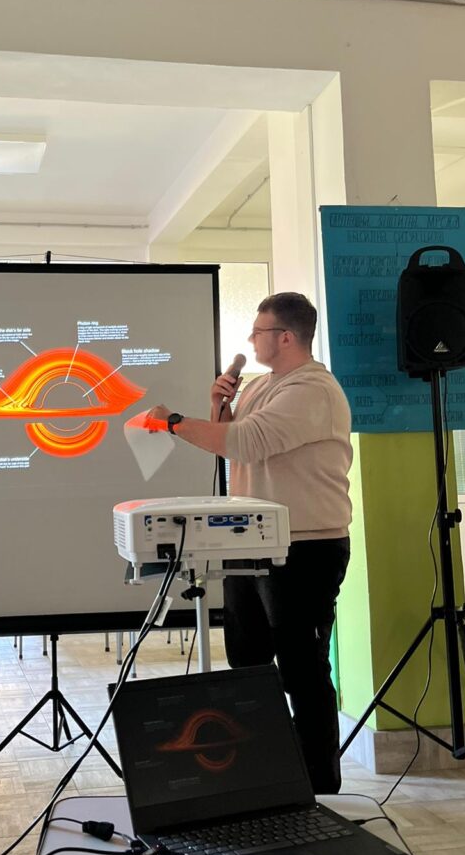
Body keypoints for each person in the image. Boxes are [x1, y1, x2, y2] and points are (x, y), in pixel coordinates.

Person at [147, 292, 352, 793]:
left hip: (305, 548)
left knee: (301, 669)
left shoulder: (312, 390)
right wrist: (217, 405)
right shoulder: (262, 385)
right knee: (248, 661)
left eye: (259, 332)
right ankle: (264, 775)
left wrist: (172, 422)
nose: (251, 340)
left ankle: (319, 786)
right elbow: (230, 443)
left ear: (286, 337)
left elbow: (246, 442)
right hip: (252, 543)